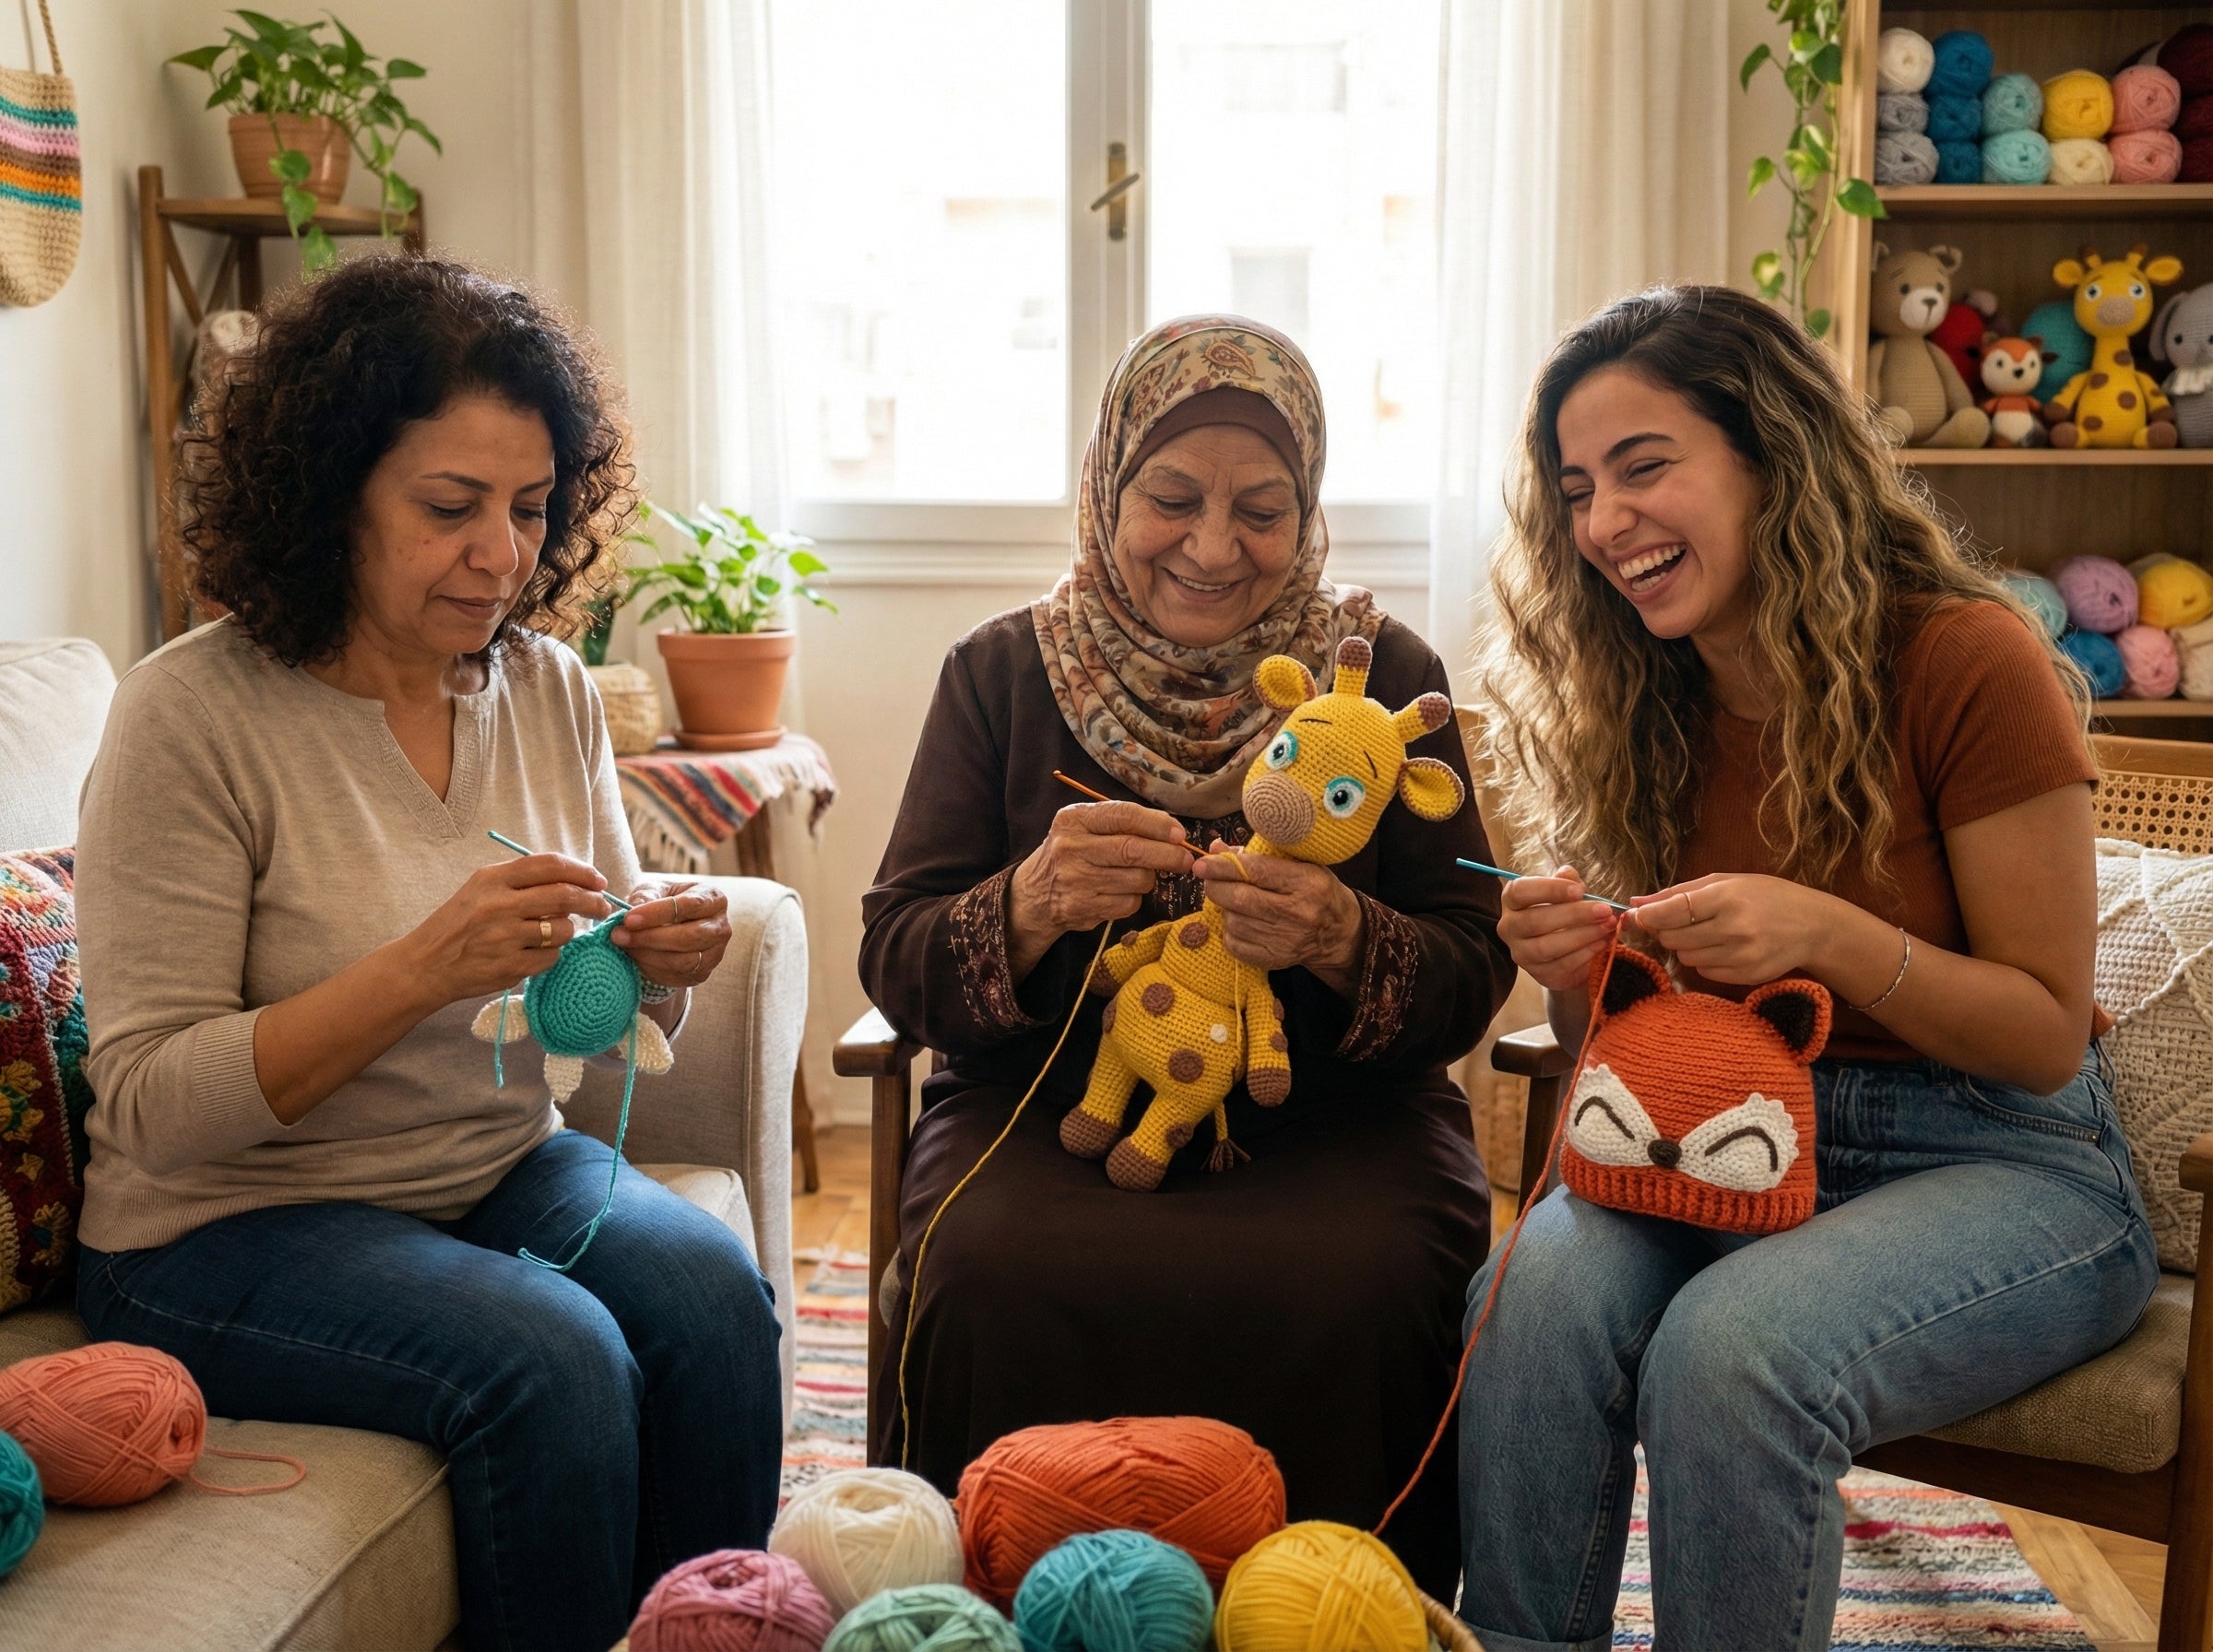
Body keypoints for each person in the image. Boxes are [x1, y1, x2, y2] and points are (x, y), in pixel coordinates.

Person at [70, 255, 783, 1652]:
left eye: (529, 510)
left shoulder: (550, 688)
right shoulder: (190, 720)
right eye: (450, 509)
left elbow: (593, 1017)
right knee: (553, 1356)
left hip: (488, 1169)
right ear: (330, 492)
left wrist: (657, 963)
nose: (501, 555)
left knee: (710, 1298)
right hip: (219, 1231)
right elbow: (150, 1099)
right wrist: (417, 968)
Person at [1457, 284, 2156, 1651]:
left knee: (1734, 1357)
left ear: (1774, 456)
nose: (1604, 525)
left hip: (2006, 1159)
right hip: (1723, 1139)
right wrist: (1577, 965)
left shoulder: (1966, 661)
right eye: (1578, 490)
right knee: (1524, 1300)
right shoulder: (1637, 701)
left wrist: (1836, 938)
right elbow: (1617, 1043)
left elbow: (2040, 1038)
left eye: (1645, 468)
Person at [860, 314, 1515, 1594]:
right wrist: (1031, 902)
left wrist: (1344, 937)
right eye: (1172, 498)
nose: (1215, 546)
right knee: (986, 1272)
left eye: (1261, 509)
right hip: (1048, 1122)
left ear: (1310, 506)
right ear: (1108, 488)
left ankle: (1345, 1614)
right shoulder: (1000, 676)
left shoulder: (1382, 676)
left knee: (1373, 1287)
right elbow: (899, 951)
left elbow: (1469, 967)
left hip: (1336, 1130)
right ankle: (1001, 1607)